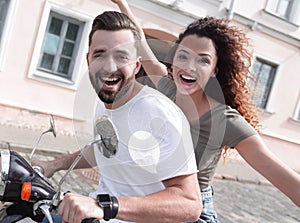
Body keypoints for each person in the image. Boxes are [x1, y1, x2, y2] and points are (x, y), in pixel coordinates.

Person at [110, 0, 300, 222]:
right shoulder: (167, 89)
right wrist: (121, 3)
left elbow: (278, 173)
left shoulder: (225, 120)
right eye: (183, 56)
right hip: (155, 201)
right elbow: (140, 39)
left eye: (203, 60)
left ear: (214, 70)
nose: (189, 67)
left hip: (193, 214)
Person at [28, 10, 202, 223]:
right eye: (100, 54)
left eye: (121, 57)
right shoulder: (105, 102)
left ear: (136, 65)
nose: (109, 67)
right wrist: (54, 165)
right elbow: (106, 148)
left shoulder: (160, 114)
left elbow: (190, 203)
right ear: (88, 60)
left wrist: (105, 206)